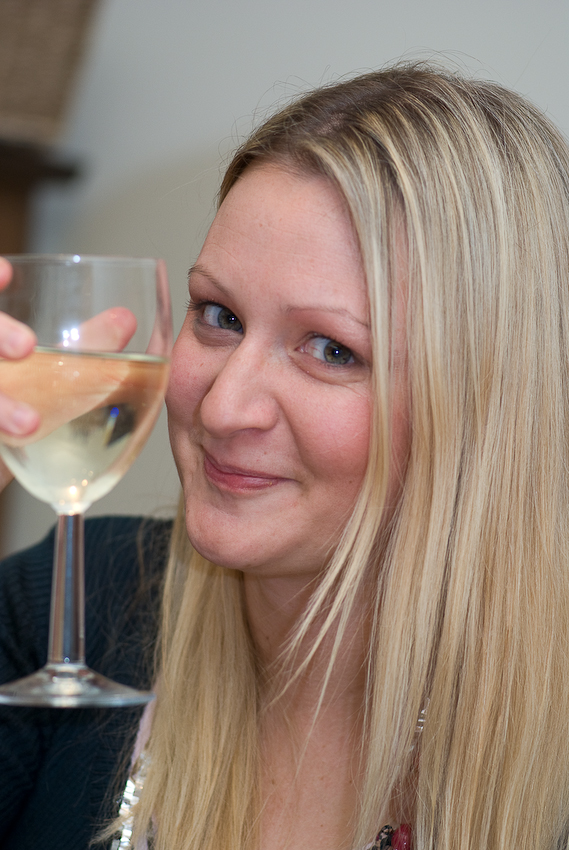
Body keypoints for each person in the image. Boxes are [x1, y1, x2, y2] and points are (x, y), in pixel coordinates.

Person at [2, 60, 569, 850]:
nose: (222, 407)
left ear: (488, 407)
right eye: (219, 315)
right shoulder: (68, 610)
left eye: (331, 350)